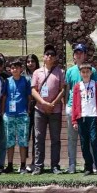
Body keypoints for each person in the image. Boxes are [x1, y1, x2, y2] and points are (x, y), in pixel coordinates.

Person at [31, 44, 66, 175]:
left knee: (55, 139)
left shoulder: (60, 72)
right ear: (43, 57)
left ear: (55, 57)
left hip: (55, 110)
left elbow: (63, 89)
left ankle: (55, 166)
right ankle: (38, 166)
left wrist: (53, 103)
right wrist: (44, 103)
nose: (49, 56)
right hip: (39, 109)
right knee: (39, 138)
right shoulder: (37, 72)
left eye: (52, 54)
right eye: (47, 54)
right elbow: (33, 90)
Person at [65, 43, 97, 174]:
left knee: (89, 138)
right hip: (72, 108)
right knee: (72, 138)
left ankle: (91, 164)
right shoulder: (70, 71)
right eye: (76, 53)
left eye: (81, 52)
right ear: (74, 56)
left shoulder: (92, 70)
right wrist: (67, 105)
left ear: (84, 55)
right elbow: (67, 90)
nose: (78, 55)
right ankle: (72, 164)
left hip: (87, 109)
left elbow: (95, 89)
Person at [71, 63, 97, 175]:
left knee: (94, 140)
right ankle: (88, 167)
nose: (85, 74)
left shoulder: (96, 85)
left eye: (87, 72)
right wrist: (74, 120)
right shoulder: (77, 86)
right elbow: (75, 104)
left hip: (93, 116)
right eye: (83, 72)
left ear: (91, 73)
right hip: (82, 117)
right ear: (80, 73)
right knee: (84, 143)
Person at [5, 59, 32, 174]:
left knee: (23, 141)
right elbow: (4, 97)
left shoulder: (26, 80)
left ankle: (22, 165)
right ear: (10, 70)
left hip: (22, 114)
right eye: (12, 68)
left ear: (21, 69)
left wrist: (28, 110)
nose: (15, 70)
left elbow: (29, 97)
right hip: (9, 115)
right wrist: (3, 112)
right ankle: (10, 165)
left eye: (17, 67)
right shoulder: (6, 81)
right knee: (9, 141)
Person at [24, 53, 40, 170]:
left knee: (36, 136)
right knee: (25, 136)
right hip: (25, 109)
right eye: (28, 62)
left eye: (32, 61)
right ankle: (23, 163)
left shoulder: (40, 74)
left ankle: (35, 161)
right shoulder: (23, 76)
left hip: (38, 107)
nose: (30, 64)